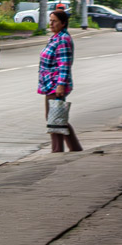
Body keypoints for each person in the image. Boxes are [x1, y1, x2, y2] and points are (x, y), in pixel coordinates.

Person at [38, 9, 82, 153]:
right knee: (56, 117)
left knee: (54, 118)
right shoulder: (56, 37)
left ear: (63, 23)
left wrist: (60, 85)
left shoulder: (63, 39)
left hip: (56, 84)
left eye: (54, 21)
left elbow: (64, 65)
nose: (51, 24)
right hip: (50, 83)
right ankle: (74, 148)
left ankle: (57, 151)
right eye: (50, 20)